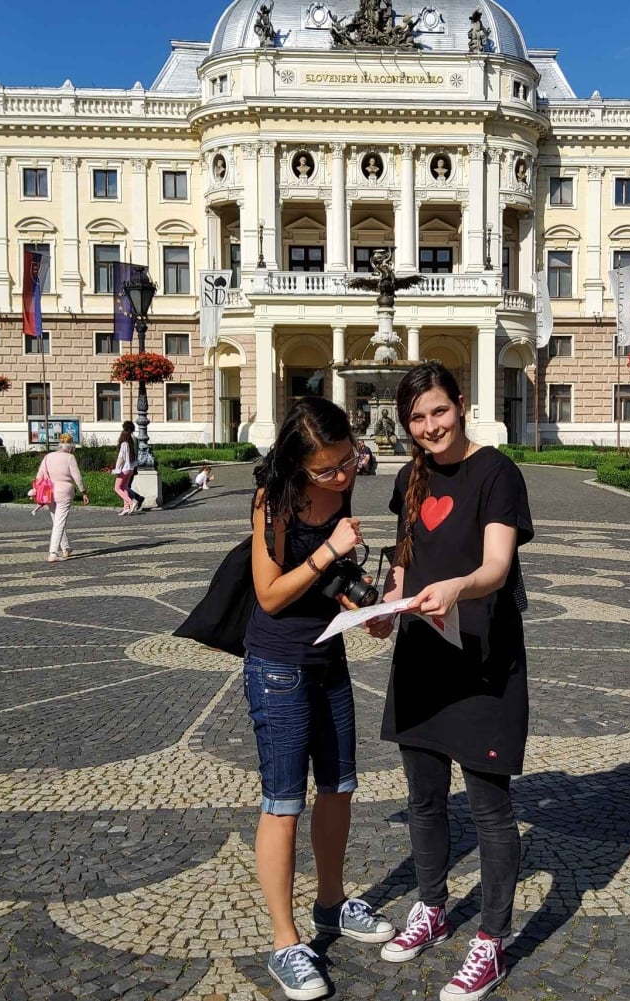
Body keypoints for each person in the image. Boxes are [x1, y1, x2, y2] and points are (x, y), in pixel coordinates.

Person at [367, 361, 533, 1001]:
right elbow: (404, 564)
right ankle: (432, 908)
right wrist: (385, 608)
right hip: (422, 655)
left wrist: (458, 587)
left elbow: (496, 566)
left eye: (438, 411)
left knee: (490, 810)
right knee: (424, 799)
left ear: (460, 404)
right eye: (416, 417)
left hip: (482, 658)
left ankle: (491, 941)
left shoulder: (496, 473)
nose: (430, 426)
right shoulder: (409, 478)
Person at [243, 396, 393, 1001]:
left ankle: (331, 902)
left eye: (347, 462)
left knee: (339, 787)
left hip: (328, 656)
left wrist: (365, 607)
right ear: (297, 463)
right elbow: (271, 594)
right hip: (278, 663)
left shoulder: (343, 488)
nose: (339, 476)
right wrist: (329, 550)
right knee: (284, 800)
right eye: (325, 469)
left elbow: (330, 584)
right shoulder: (272, 500)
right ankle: (286, 942)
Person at [35, 433, 87, 560]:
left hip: (49, 492)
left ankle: (66, 547)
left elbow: (39, 476)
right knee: (59, 522)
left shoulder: (48, 457)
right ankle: (53, 553)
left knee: (57, 521)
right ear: (71, 447)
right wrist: (84, 491)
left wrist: (36, 491)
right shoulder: (70, 458)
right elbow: (77, 476)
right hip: (64, 492)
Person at [114, 421, 140, 515]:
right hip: (130, 469)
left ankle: (131, 502)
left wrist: (117, 468)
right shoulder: (130, 444)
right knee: (124, 487)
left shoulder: (124, 444)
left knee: (117, 488)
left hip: (124, 469)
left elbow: (121, 458)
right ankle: (126, 507)